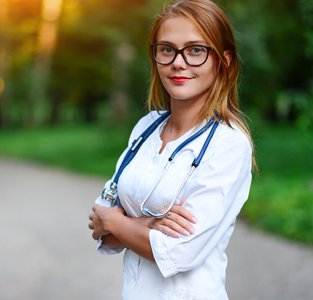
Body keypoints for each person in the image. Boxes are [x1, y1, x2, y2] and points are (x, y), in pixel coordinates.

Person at [88, 0, 258, 299]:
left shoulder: (228, 144)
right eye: (167, 49)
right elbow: (99, 221)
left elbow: (179, 253)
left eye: (195, 50)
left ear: (224, 60)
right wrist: (146, 225)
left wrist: (117, 221)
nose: (178, 62)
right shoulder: (147, 126)